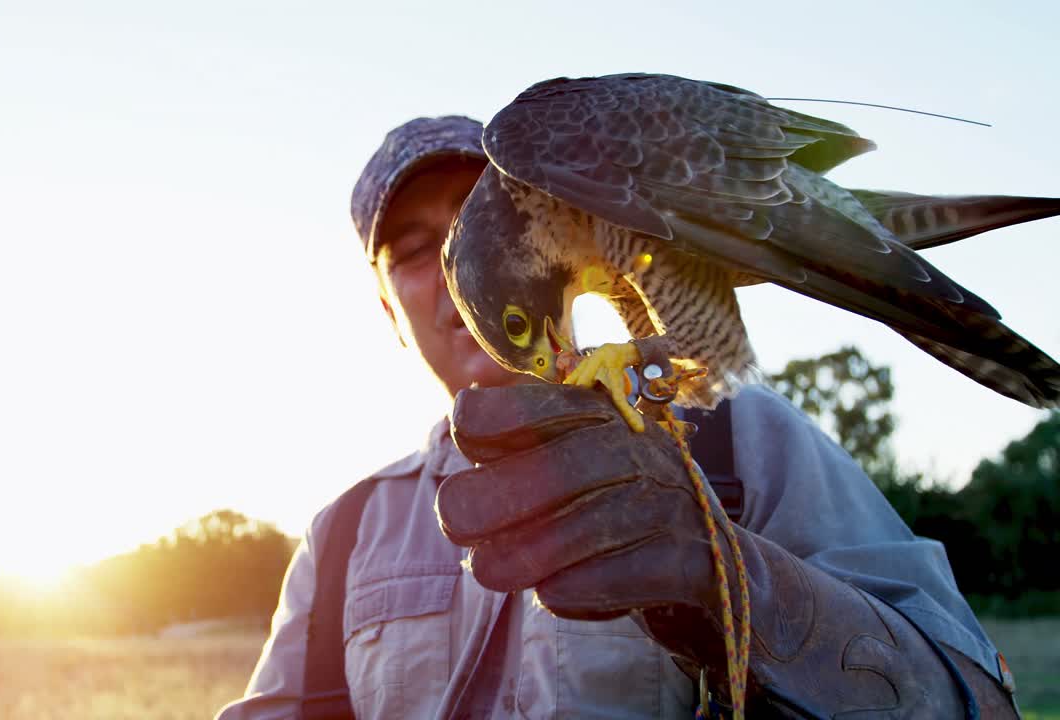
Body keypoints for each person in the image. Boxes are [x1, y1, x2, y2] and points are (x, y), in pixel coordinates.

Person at [216, 116, 1018, 718]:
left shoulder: (733, 437)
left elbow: (973, 696)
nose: (456, 263)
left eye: (472, 215)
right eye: (413, 251)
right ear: (390, 310)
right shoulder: (349, 533)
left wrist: (740, 584)